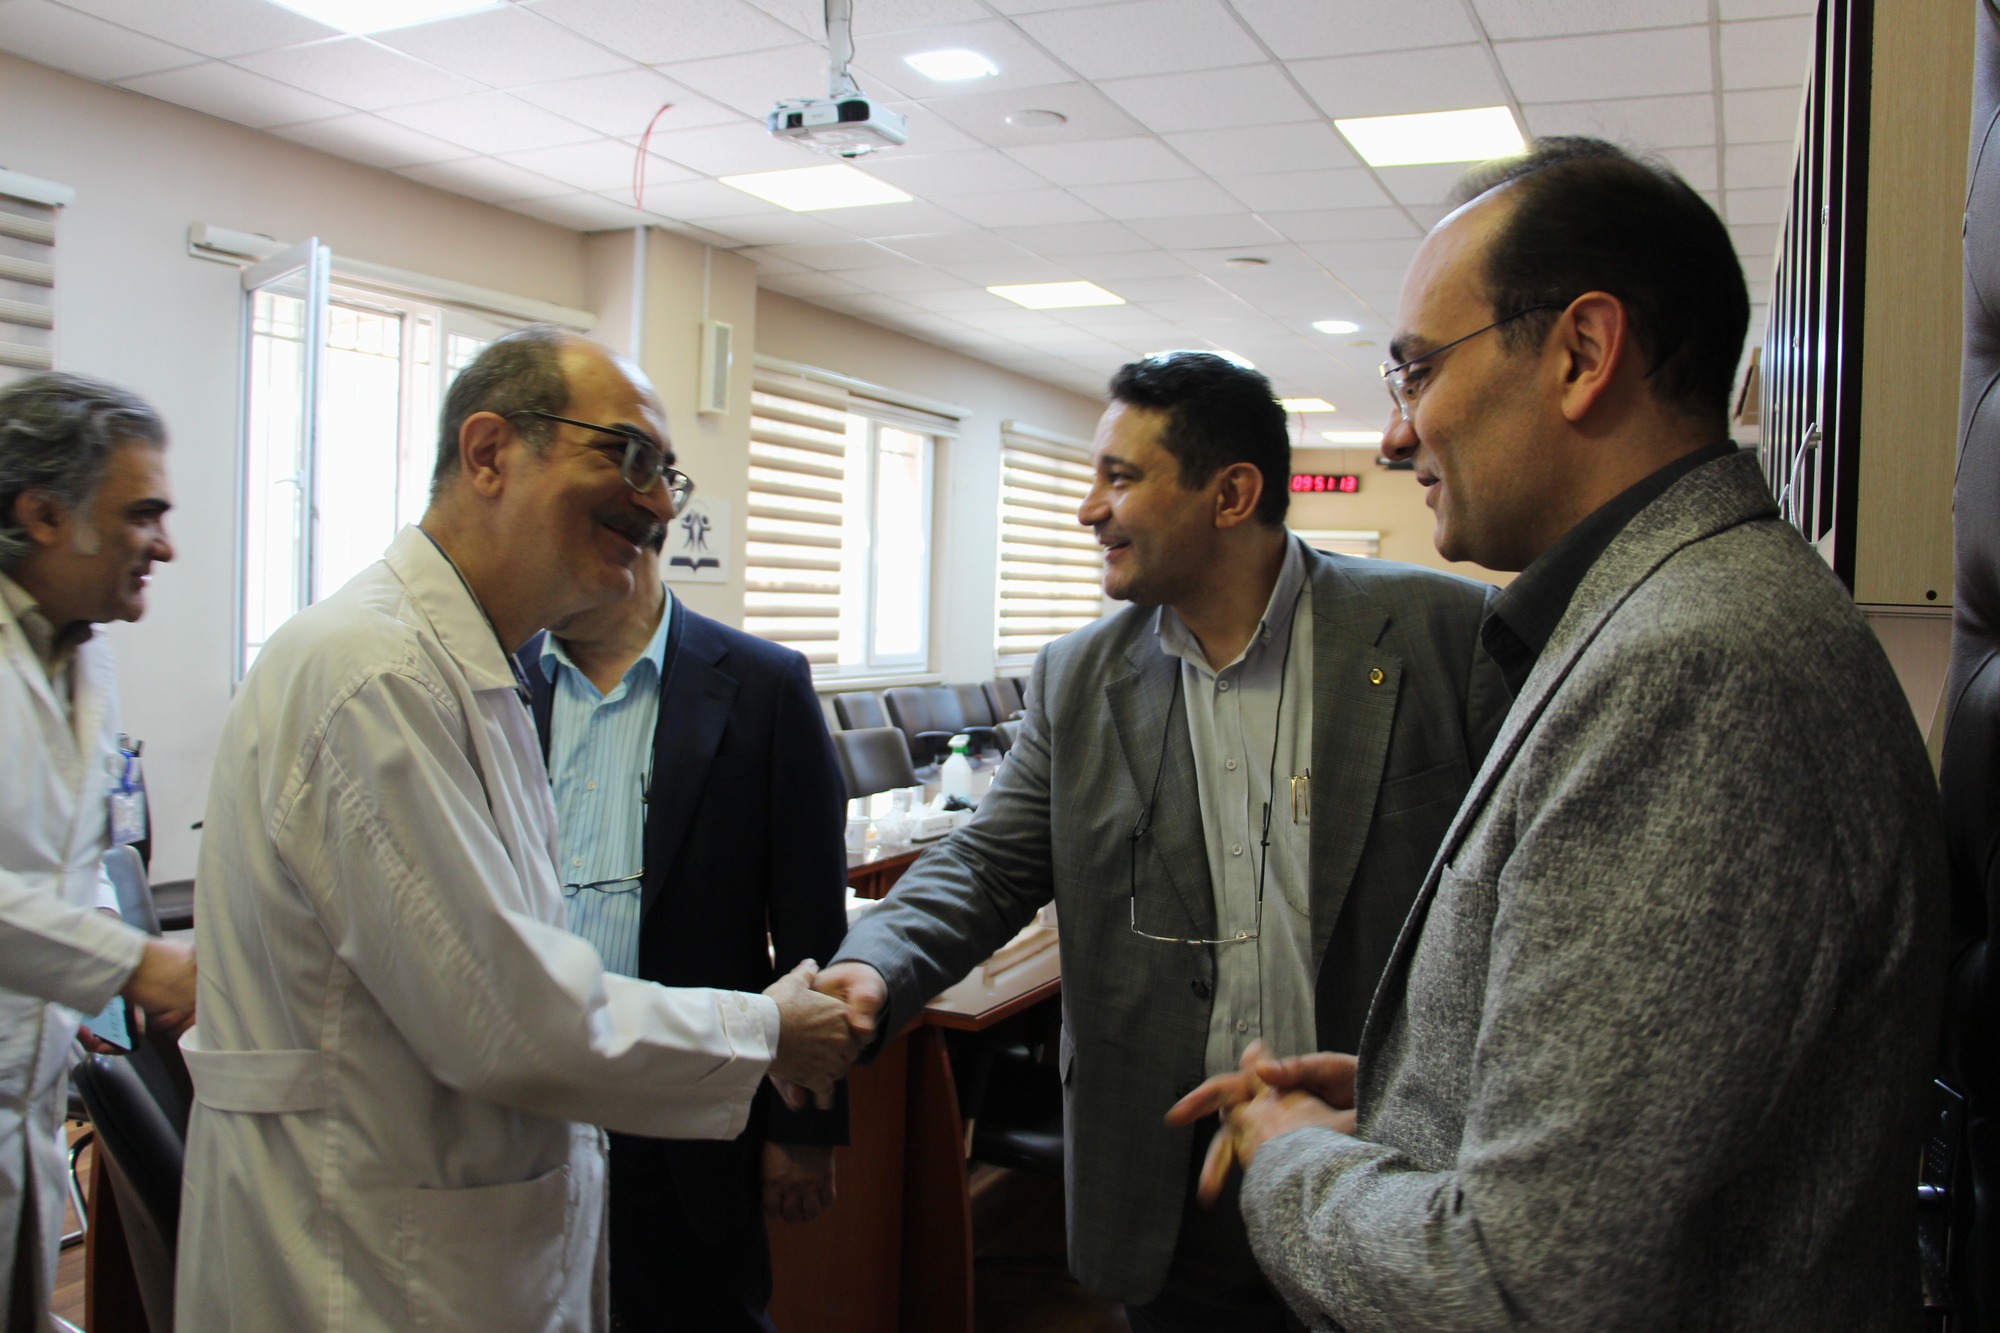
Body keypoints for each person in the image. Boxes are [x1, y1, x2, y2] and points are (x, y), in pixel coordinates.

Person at [1173, 137, 1947, 1331]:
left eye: (1416, 371)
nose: (1392, 437)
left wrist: (1287, 1157)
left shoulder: (1694, 671)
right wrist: (1414, 1097)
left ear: (1581, 353)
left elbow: (1523, 1288)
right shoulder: (1663, 621)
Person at [176, 327, 858, 1332]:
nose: (661, 504)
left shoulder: (474, 673)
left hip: (465, 1222)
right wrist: (770, 1031)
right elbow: (505, 1017)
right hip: (364, 1255)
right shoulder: (373, 674)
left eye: (666, 473)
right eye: (627, 456)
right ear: (489, 452)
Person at [817, 350, 1510, 1328]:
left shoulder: (1444, 632)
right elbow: (991, 860)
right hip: (1173, 1168)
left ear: (1230, 495)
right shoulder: (1077, 675)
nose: (1087, 509)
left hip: (1384, 1157)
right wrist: (874, 963)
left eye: (1120, 476)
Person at [518, 529, 849, 1332]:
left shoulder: (764, 684)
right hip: (530, 1112)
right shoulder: (502, 678)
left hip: (690, 1112)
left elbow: (811, 926)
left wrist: (804, 1125)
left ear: (633, 532)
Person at [0, 372, 196, 1331]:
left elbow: (67, 858)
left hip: (27, 1093)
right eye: (142, 514)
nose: (165, 544)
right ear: (44, 514)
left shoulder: (86, 652)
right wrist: (135, 962)